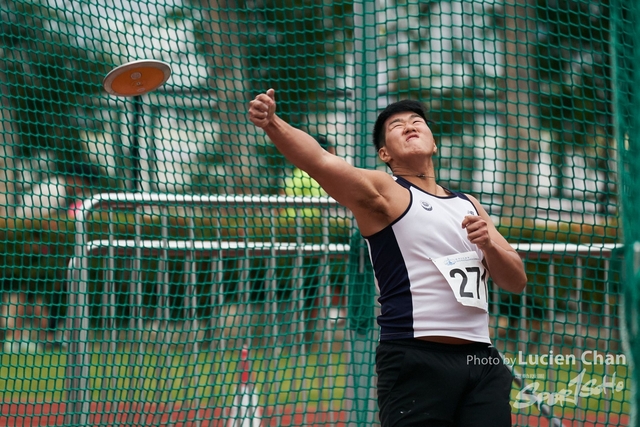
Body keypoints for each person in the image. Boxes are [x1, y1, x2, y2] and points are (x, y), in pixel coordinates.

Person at [249, 89, 528, 426]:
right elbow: (321, 161)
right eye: (397, 126)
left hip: (481, 360)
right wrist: (273, 123)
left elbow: (515, 280)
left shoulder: (468, 204)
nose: (410, 126)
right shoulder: (385, 191)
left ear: (434, 142)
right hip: (416, 358)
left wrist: (490, 246)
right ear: (384, 153)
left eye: (417, 122)